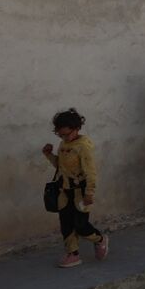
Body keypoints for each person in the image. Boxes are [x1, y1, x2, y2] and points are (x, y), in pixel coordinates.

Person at [42, 108, 109, 268]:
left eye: (67, 134)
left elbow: (90, 172)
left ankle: (99, 239)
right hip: (64, 191)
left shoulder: (83, 146)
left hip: (81, 192)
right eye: (61, 135)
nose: (65, 137)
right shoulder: (64, 144)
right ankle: (73, 254)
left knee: (80, 225)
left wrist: (89, 193)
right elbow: (61, 166)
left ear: (77, 128)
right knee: (66, 224)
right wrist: (49, 155)